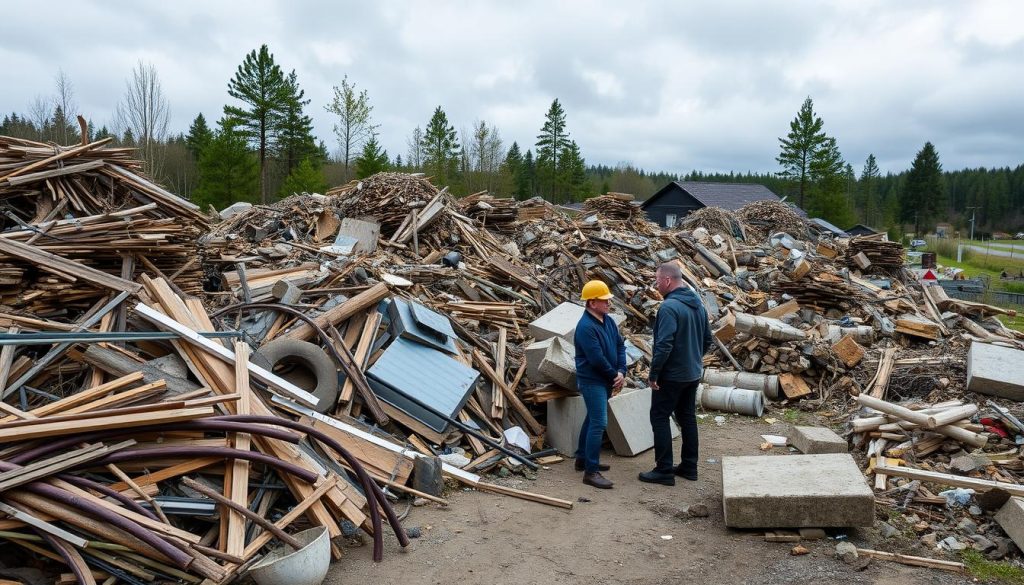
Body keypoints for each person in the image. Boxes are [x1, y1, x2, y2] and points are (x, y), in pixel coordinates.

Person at [639, 262, 714, 486]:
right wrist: (693, 358)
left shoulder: (669, 308)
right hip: (692, 373)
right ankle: (689, 467)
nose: (656, 284)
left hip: (671, 376)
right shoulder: (697, 305)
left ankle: (663, 470)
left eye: (657, 280)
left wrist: (654, 374)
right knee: (687, 418)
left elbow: (664, 345)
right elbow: (707, 339)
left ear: (668, 281)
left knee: (659, 417)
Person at [573, 280, 627, 489]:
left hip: (606, 379)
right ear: (592, 303)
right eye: (604, 301)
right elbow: (595, 359)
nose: (608, 303)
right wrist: (614, 375)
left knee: (592, 419)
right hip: (592, 380)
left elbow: (620, 346)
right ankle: (591, 471)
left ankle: (582, 459)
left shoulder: (608, 321)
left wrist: (622, 371)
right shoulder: (585, 327)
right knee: (599, 422)